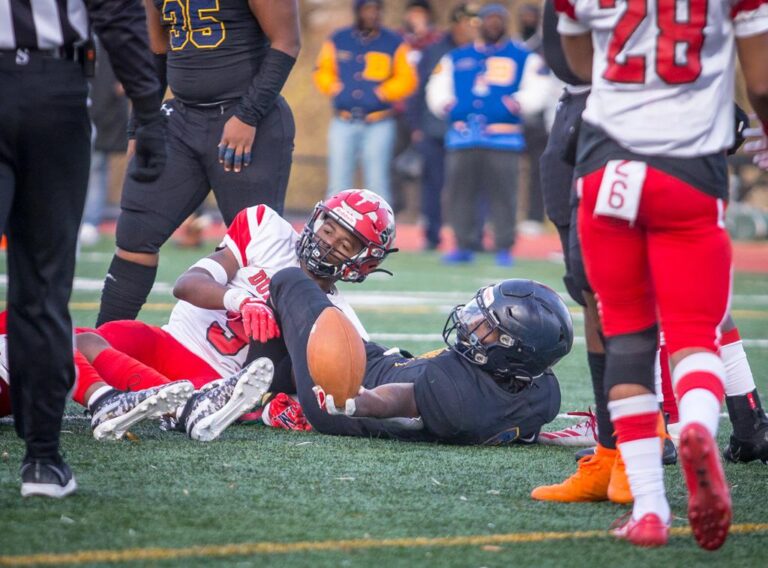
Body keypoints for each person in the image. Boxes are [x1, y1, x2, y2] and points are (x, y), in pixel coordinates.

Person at [555, 0, 768, 550]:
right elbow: (761, 79)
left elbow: (577, 63)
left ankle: (650, 507)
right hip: (687, 170)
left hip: (605, 170)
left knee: (626, 334)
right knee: (694, 332)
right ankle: (697, 424)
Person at [50, 190, 396, 442]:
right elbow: (188, 285)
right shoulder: (267, 230)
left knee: (43, 339)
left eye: (345, 244)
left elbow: (312, 392)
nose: (327, 242)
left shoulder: (340, 324)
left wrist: (274, 405)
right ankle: (164, 406)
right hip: (169, 341)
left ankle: (172, 403)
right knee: (67, 337)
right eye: (329, 228)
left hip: (218, 383)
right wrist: (240, 300)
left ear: (363, 263)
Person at [0, 0, 166, 498]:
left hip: (50, 84)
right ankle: (43, 461)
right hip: (52, 89)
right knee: (43, 285)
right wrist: (148, 109)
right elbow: (115, 11)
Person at [96, 0, 301, 326]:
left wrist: (248, 115)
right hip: (181, 120)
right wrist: (140, 126)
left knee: (253, 252)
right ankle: (103, 346)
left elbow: (286, 41)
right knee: (135, 234)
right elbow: (156, 52)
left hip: (247, 119)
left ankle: (254, 361)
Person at [204, 272, 572, 445]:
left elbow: (399, 399)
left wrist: (354, 400)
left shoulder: (456, 395)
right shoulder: (542, 392)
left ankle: (247, 386)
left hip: (348, 385)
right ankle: (272, 387)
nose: (471, 321)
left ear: (511, 349)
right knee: (292, 357)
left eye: (486, 326)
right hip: (383, 366)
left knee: (290, 282)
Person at [426, 3, 550, 266]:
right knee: (460, 193)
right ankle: (463, 243)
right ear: (479, 23)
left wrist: (514, 105)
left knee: (504, 194)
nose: (493, 24)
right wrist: (448, 106)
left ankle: (504, 245)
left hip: (503, 139)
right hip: (462, 137)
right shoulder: (456, 57)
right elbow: (436, 87)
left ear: (505, 23)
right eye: (488, 19)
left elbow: (539, 88)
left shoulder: (523, 55)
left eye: (498, 19)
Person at [313, 0, 418, 205]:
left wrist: (385, 92)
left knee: (377, 184)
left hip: (379, 122)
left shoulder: (394, 42)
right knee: (338, 183)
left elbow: (408, 78)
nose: (372, 14)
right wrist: (333, 87)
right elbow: (321, 70)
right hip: (343, 120)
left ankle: (380, 234)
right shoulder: (338, 39)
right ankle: (329, 231)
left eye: (376, 10)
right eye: (367, 9)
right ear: (358, 11)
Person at [411, 3, 478, 250]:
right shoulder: (435, 50)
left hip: (472, 131)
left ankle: (472, 237)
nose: (473, 29)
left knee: (471, 185)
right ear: (457, 23)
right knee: (433, 185)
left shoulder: (483, 52)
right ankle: (431, 235)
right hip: (436, 128)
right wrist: (416, 125)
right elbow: (418, 91)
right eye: (469, 23)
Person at [80, 40, 129, 247]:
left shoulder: (107, 42)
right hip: (78, 105)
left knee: (96, 166)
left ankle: (89, 221)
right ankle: (84, 220)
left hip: (101, 108)